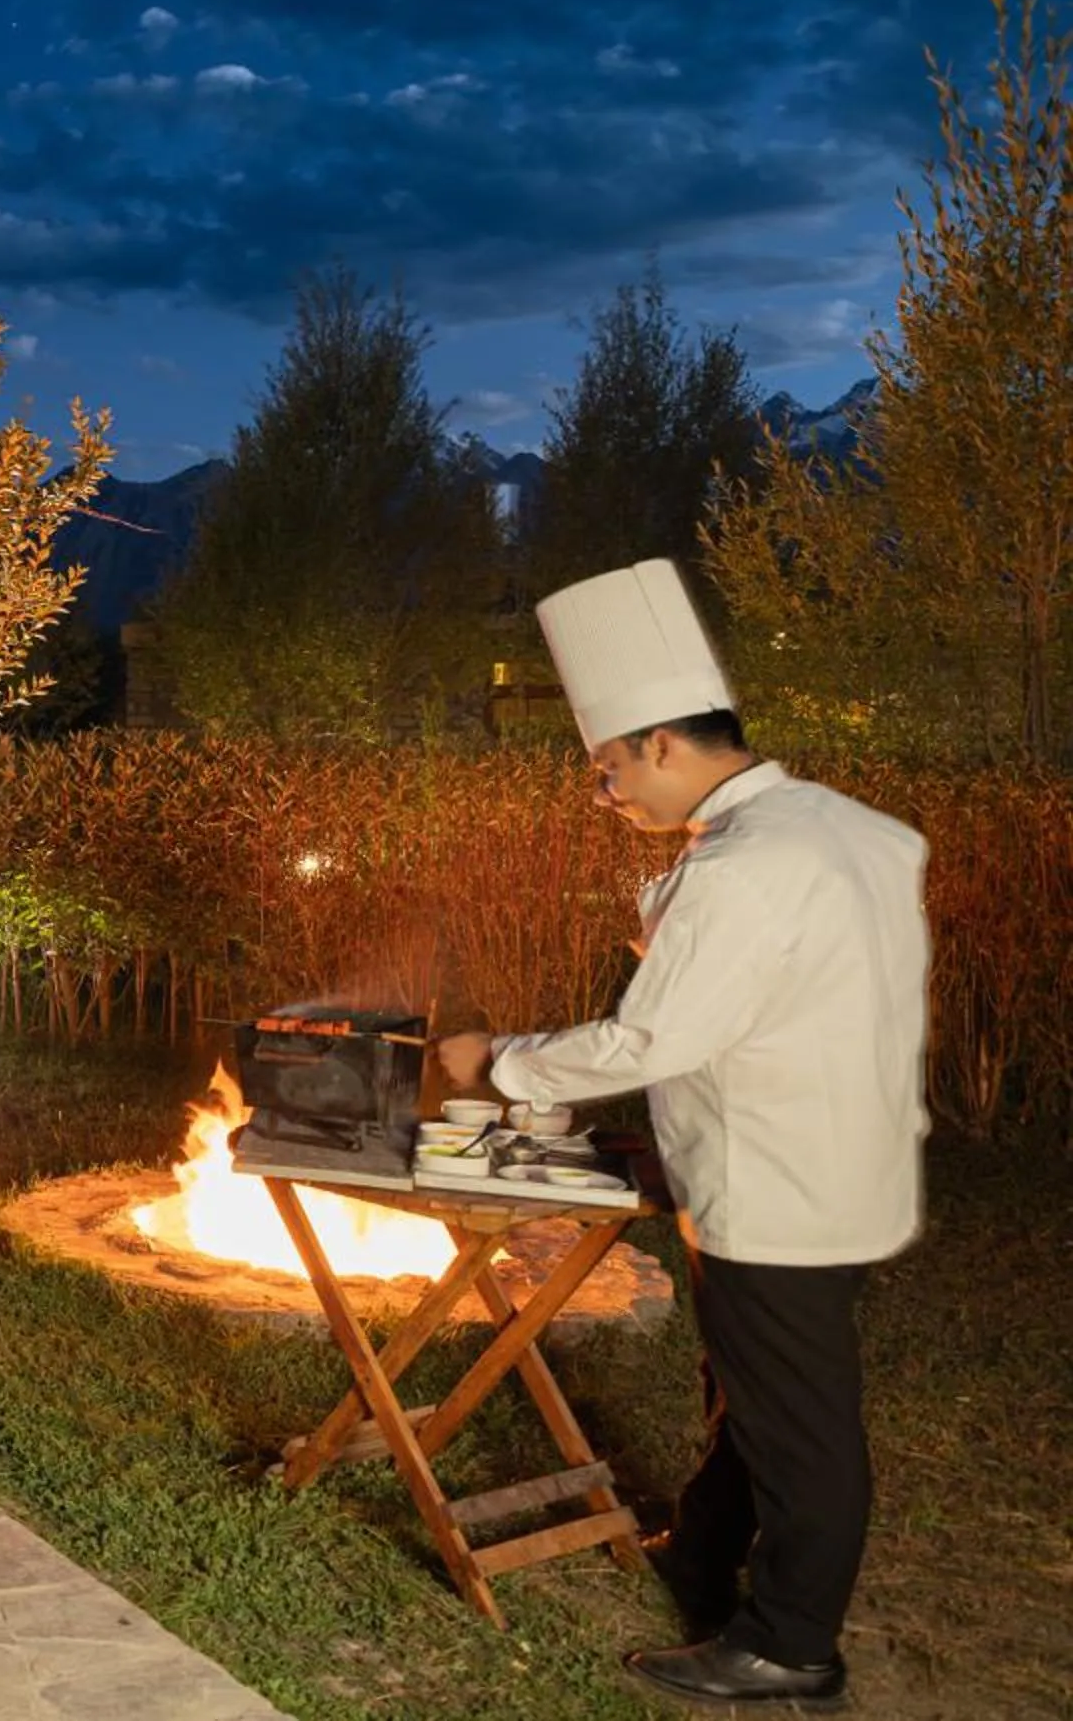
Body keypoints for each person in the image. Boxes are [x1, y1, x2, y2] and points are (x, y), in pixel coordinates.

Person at [434, 559, 929, 1712]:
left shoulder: (747, 863)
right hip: (826, 1157)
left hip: (780, 1182)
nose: (602, 791)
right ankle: (703, 1554)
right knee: (751, 1390)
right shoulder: (847, 829)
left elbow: (646, 1040)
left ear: (661, 741)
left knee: (799, 1424)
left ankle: (790, 1645)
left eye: (606, 766)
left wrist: (497, 1061)